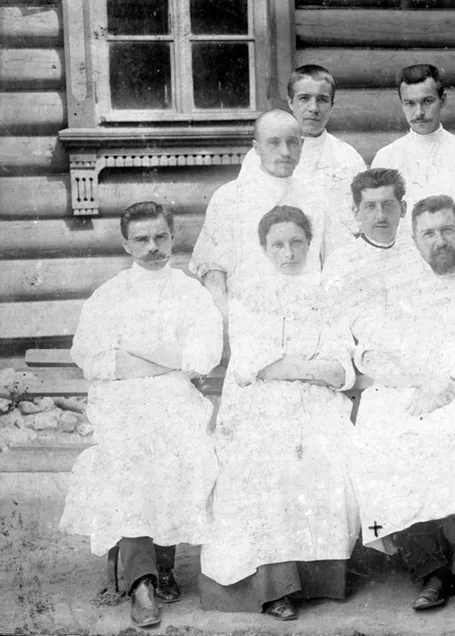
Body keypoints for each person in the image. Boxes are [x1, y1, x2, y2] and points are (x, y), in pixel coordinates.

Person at [348, 195, 455, 613]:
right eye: (428, 233)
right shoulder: (395, 288)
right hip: (412, 391)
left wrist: (450, 391)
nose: (439, 241)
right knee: (382, 439)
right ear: (415, 240)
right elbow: (369, 351)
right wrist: (420, 382)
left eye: (447, 230)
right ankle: (430, 572)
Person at [59, 202, 222, 628]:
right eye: (142, 239)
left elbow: (205, 354)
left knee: (180, 452)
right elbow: (92, 357)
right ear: (125, 244)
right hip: (122, 402)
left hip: (175, 399)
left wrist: (133, 351)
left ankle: (164, 565)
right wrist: (167, 358)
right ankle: (141, 583)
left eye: (160, 237)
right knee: (130, 460)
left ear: (173, 236)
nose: (152, 247)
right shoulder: (110, 295)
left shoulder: (190, 293)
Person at [199, 206, 360, 621]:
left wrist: (292, 366)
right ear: (264, 249)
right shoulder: (249, 298)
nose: (288, 253)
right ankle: (274, 586)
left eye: (296, 243)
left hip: (318, 402)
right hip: (261, 401)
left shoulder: (328, 295)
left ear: (309, 243)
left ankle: (317, 580)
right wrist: (310, 368)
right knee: (265, 460)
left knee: (328, 452)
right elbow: (253, 367)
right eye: (278, 245)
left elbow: (342, 369)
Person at [191, 109, 327, 330]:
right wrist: (225, 325)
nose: (285, 152)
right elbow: (213, 271)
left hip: (306, 319)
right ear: (256, 148)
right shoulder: (229, 197)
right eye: (274, 143)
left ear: (302, 145)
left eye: (292, 143)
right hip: (248, 322)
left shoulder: (316, 197)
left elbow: (333, 263)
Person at [237, 65, 366, 241]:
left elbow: (360, 220)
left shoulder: (348, 158)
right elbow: (247, 216)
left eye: (322, 100)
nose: (313, 108)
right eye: (304, 98)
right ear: (290, 102)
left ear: (331, 105)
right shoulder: (259, 157)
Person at [371, 64, 455, 234]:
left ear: (443, 100)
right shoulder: (386, 158)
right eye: (410, 103)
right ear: (402, 104)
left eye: (427, 101)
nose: (419, 112)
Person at [321, 167, 419, 311]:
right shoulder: (340, 263)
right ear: (356, 212)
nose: (381, 216)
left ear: (403, 209)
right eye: (370, 206)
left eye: (388, 205)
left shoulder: (418, 254)